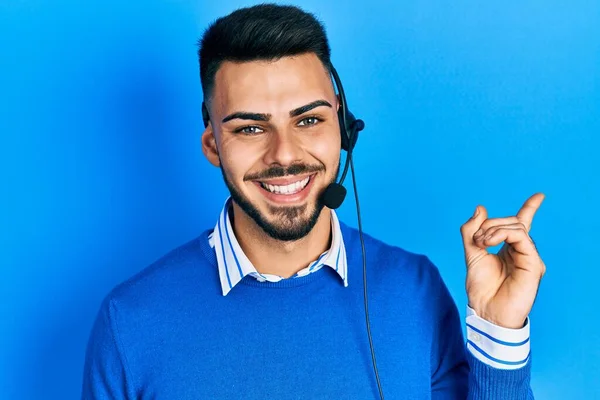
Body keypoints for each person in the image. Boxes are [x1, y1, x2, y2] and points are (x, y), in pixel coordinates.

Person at [81, 3, 546, 399]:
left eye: (308, 121)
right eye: (249, 128)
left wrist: (498, 333)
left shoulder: (415, 288)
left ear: (343, 128)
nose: (284, 154)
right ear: (211, 145)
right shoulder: (130, 322)